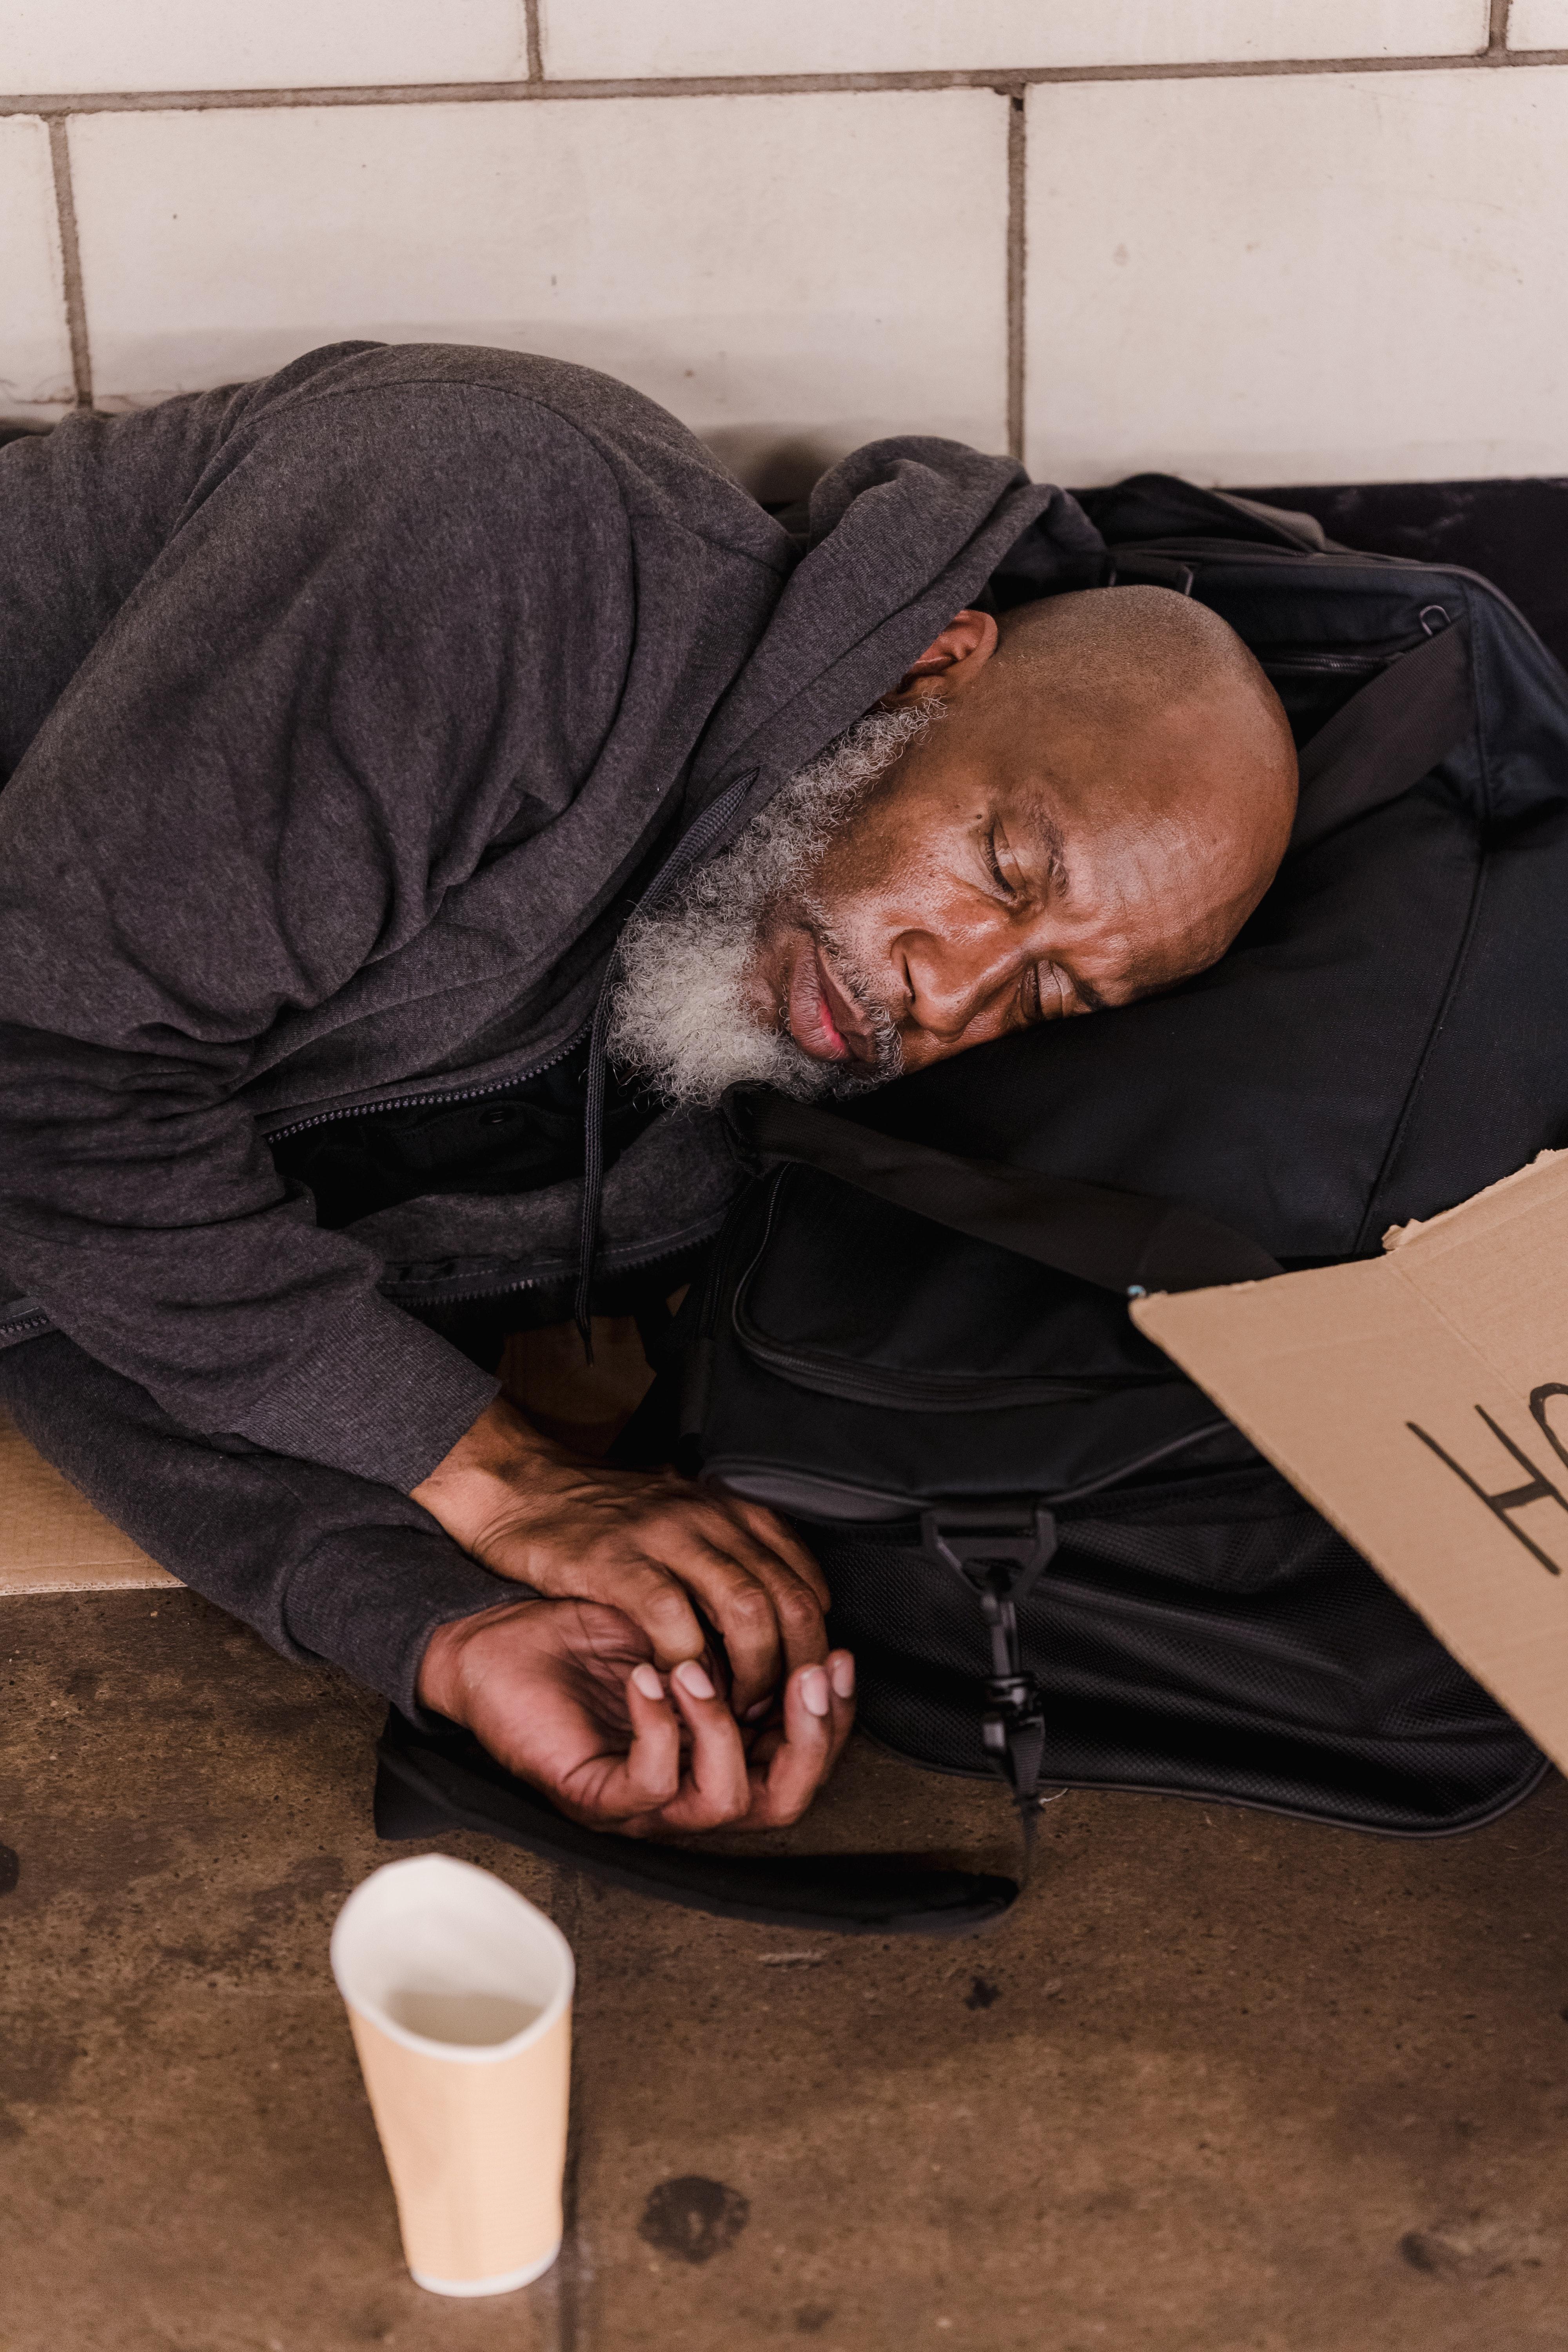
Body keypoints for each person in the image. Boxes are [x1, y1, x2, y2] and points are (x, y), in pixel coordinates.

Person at [0, 343, 1297, 1842]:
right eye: (1009, 871)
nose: (954, 993)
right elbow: (46, 1073)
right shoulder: (516, 535)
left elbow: (78, 1263)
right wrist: (493, 1476)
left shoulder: (695, 1118)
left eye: (1053, 991)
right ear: (931, 668)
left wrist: (431, 1622)